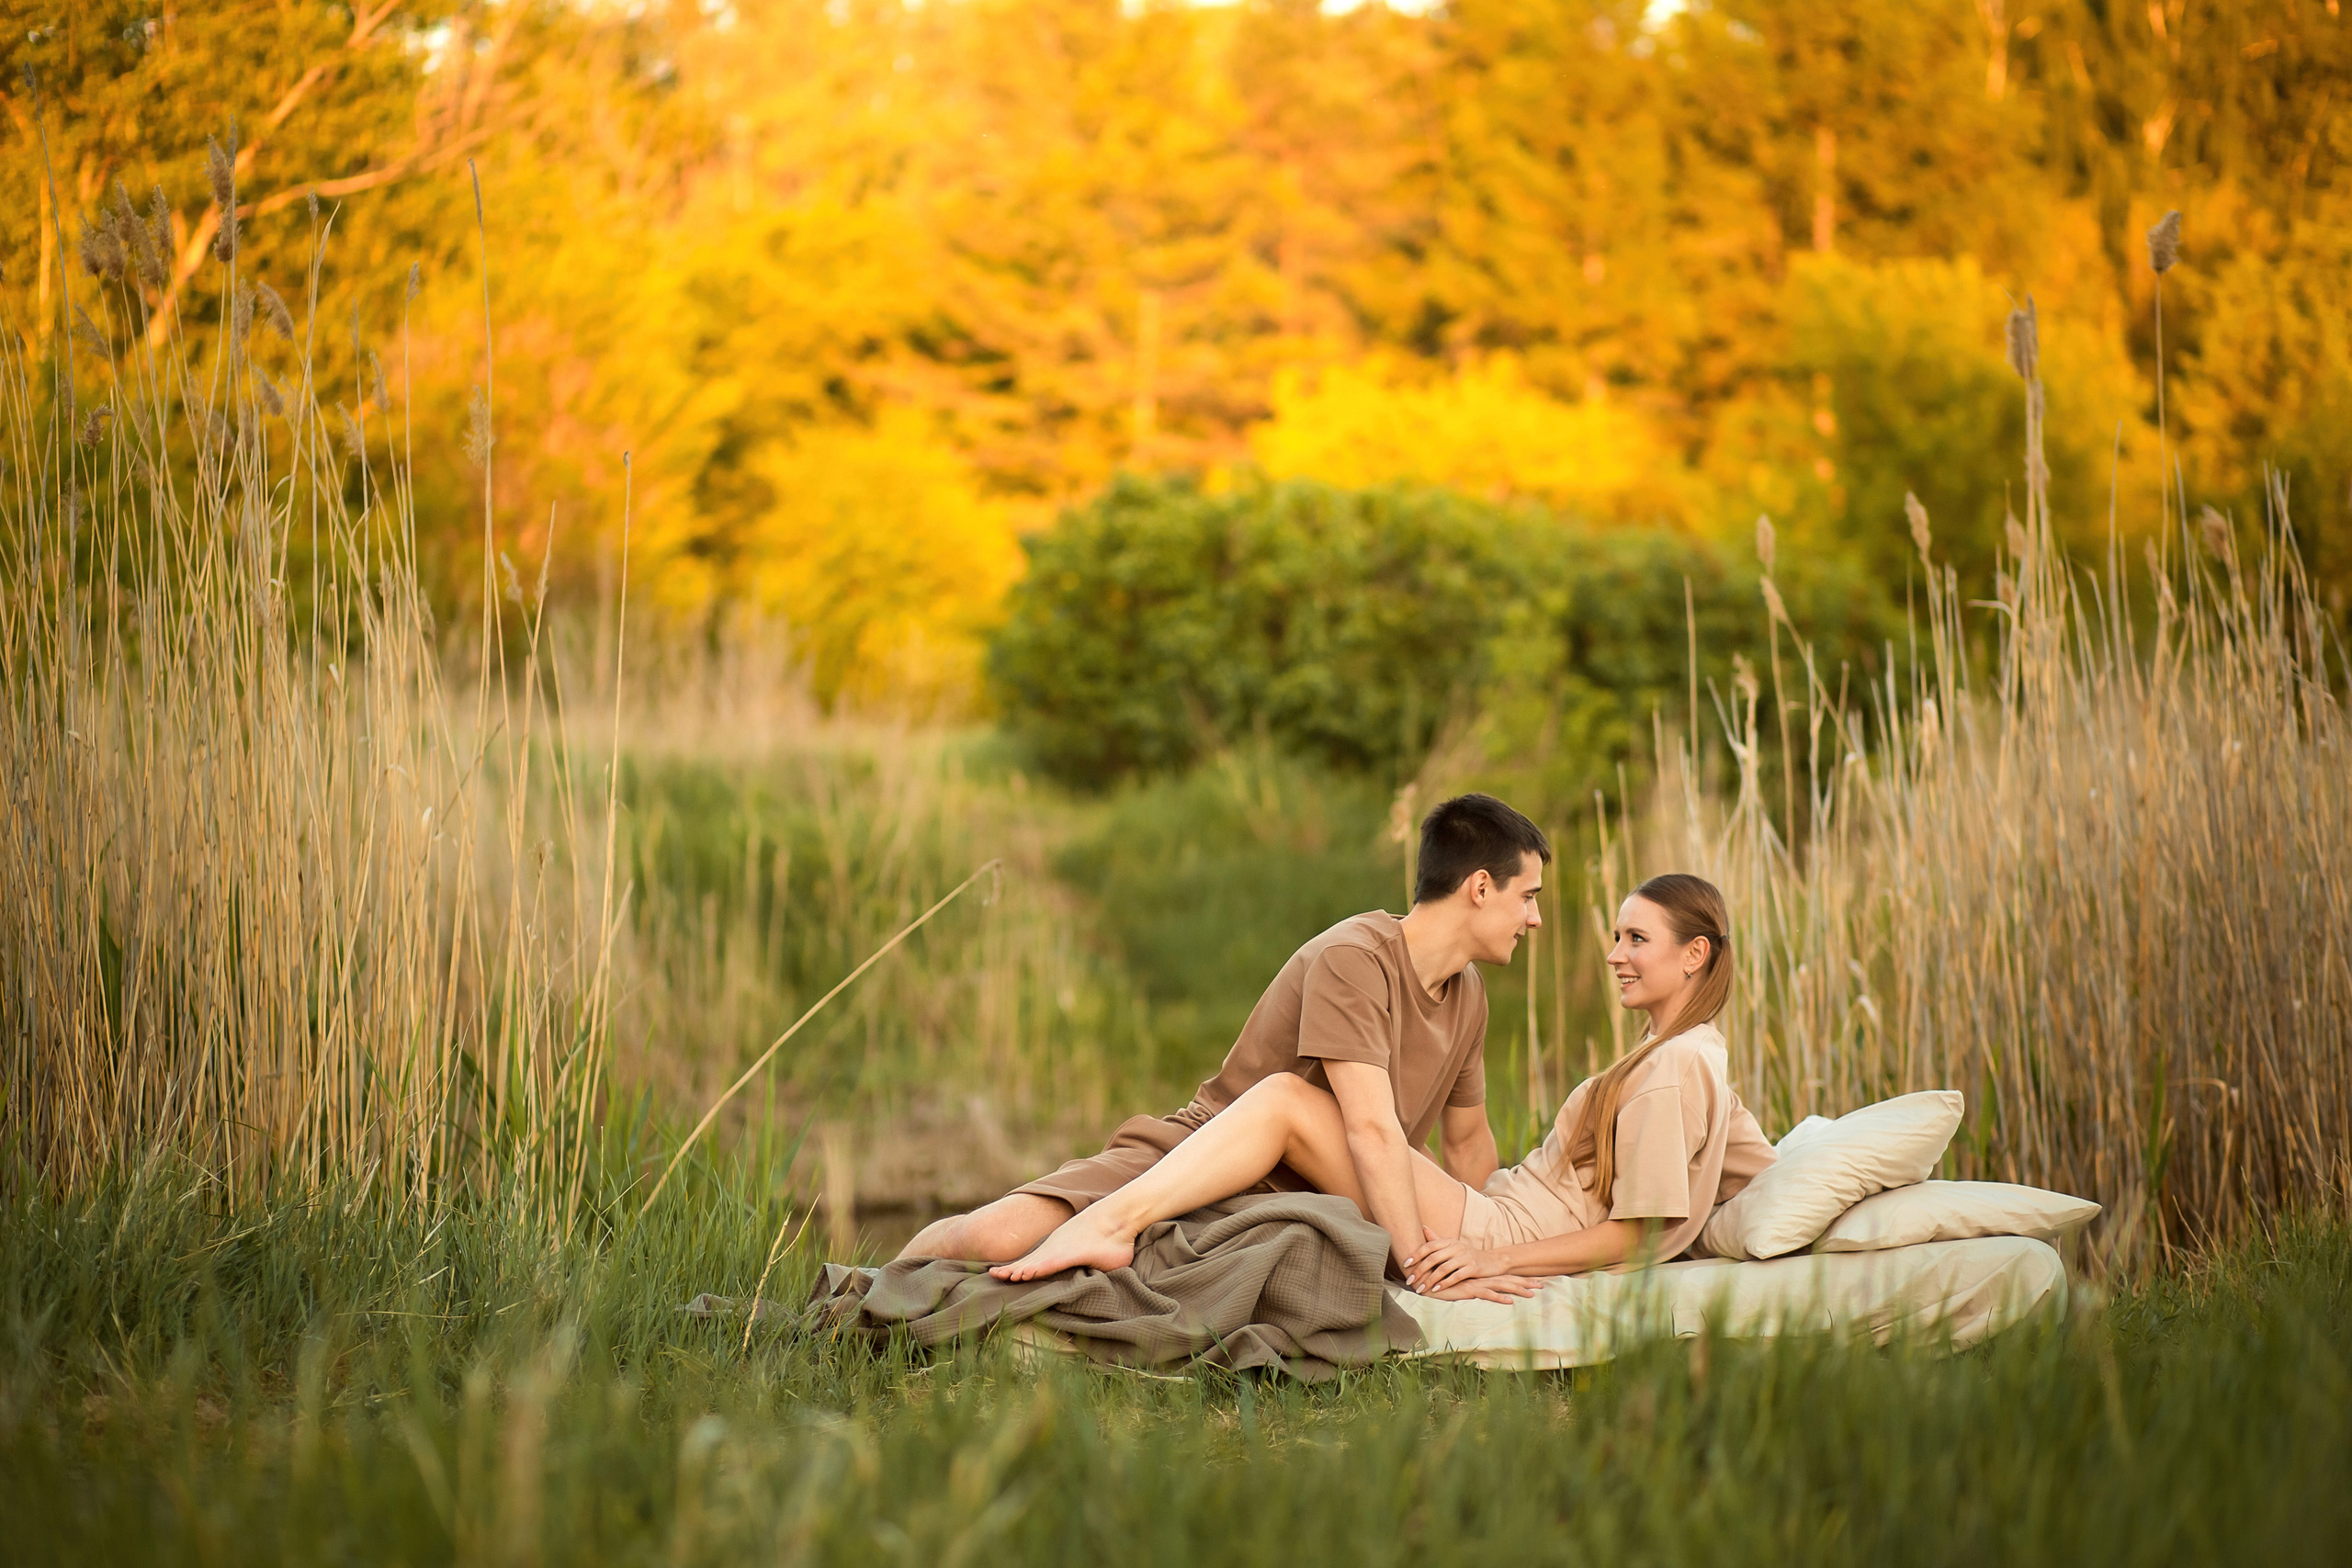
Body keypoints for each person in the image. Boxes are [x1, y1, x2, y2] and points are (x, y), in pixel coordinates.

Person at [989, 872, 1775, 1297]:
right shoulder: (1692, 1057)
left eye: (1637, 938)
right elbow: (1762, 1176)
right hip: (1493, 1209)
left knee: (1289, 1100)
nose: (1615, 954)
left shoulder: (1677, 1065)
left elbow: (1638, 1233)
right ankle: (1087, 1225)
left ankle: (1115, 1222)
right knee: (985, 1234)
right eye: (1617, 936)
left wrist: (1493, 1259)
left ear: (1695, 954)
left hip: (1503, 1230)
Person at [899, 793, 1550, 1301]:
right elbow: (1375, 1131)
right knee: (996, 1235)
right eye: (1529, 897)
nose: (1535, 919)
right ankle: (878, 1286)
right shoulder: (1356, 958)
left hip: (1321, 1186)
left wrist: (1486, 1247)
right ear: (1481, 885)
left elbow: (1467, 1143)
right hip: (1211, 1150)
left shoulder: (1469, 996)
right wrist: (1423, 1269)